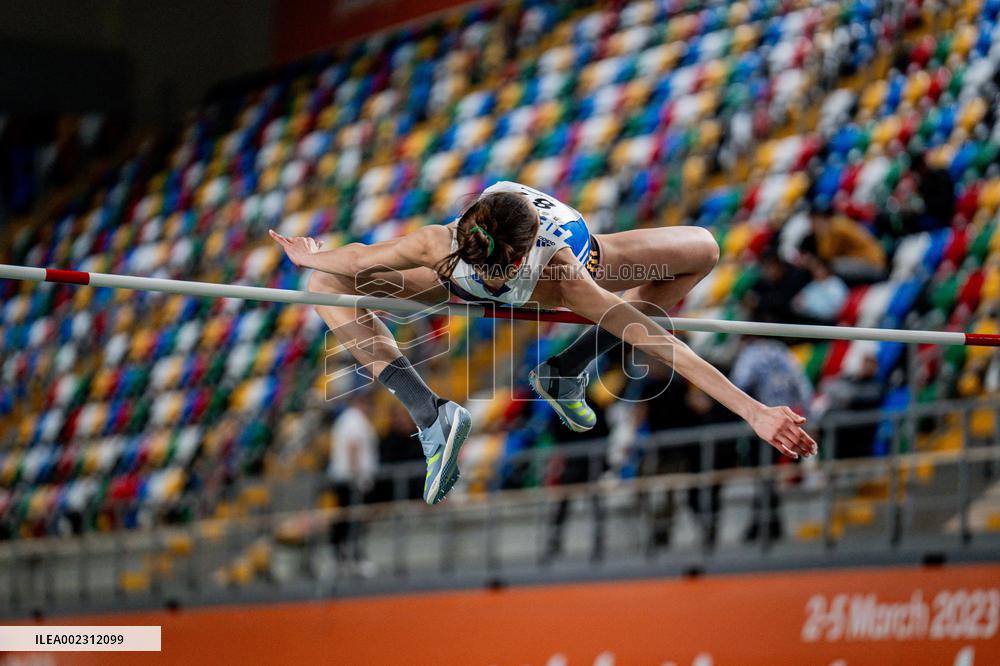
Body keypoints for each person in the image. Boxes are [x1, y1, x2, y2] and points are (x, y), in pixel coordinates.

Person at [270, 181, 818, 506]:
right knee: (704, 249)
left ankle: (475, 401)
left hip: (457, 283)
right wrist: (753, 412)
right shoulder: (561, 275)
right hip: (547, 278)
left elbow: (358, 258)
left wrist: (309, 258)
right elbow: (662, 342)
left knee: (325, 284)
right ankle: (464, 403)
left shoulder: (439, 242)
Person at [730, 337, 814, 543]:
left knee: (764, 475)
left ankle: (764, 525)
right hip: (788, 421)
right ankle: (768, 523)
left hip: (764, 425)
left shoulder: (751, 355)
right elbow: (803, 388)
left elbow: (738, 384)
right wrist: (810, 420)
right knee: (772, 475)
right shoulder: (784, 353)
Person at [327, 394, 378, 568]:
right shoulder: (355, 421)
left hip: (344, 478)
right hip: (351, 480)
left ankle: (344, 556)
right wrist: (357, 477)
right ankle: (354, 557)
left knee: (347, 517)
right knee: (354, 519)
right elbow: (353, 447)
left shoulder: (345, 420)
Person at [808, 207, 886, 284]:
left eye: (813, 222)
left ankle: (875, 281)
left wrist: (820, 236)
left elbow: (826, 254)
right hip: (872, 257)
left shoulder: (836, 228)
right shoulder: (837, 222)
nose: (812, 227)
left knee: (836, 265)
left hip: (874, 263)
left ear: (819, 218)